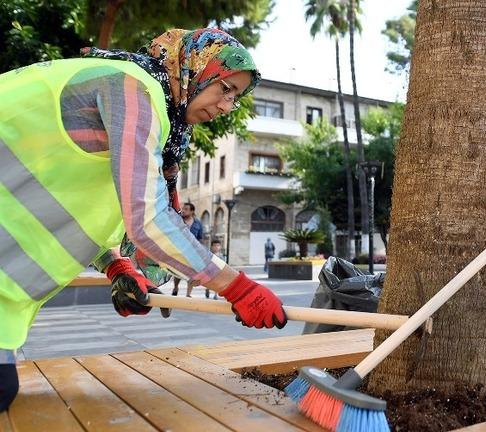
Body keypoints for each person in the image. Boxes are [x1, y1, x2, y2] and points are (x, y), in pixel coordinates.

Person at [0, 28, 288, 412]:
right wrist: (237, 287)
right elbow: (148, 217)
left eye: (235, 98)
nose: (225, 106)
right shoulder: (133, 91)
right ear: (195, 68)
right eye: (225, 88)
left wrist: (115, 265)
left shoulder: (147, 109)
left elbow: (78, 200)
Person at [171, 202, 204, 297]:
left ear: (192, 211)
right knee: (178, 272)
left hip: (193, 252)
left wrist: (201, 251)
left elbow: (200, 238)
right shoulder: (178, 220)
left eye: (186, 209)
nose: (183, 210)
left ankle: (188, 293)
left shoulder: (198, 223)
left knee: (192, 273)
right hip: (179, 250)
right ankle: (175, 287)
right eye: (183, 208)